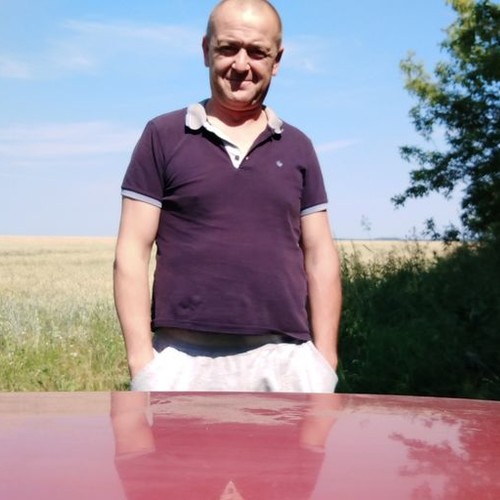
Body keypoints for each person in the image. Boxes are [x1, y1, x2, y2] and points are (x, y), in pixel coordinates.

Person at [113, 0, 342, 392]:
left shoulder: (298, 146)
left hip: (287, 363)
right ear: (206, 51)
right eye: (228, 48)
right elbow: (132, 250)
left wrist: (324, 362)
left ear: (277, 60)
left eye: (257, 52)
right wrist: (143, 364)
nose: (241, 64)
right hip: (180, 363)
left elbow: (320, 254)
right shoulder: (163, 136)